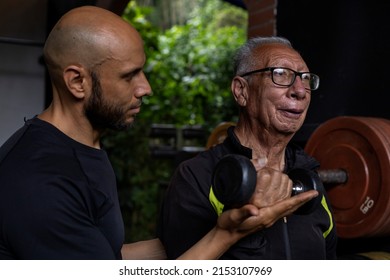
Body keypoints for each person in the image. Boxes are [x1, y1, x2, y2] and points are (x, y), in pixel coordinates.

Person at [0, 7, 317, 260]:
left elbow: (106, 257)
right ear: (77, 83)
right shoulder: (39, 180)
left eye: (142, 70)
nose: (145, 88)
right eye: (129, 76)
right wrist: (229, 233)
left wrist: (197, 228)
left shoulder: (81, 148)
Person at [158, 36, 338, 260]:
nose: (300, 91)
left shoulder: (309, 181)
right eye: (281, 74)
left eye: (306, 79)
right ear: (241, 91)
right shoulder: (196, 176)